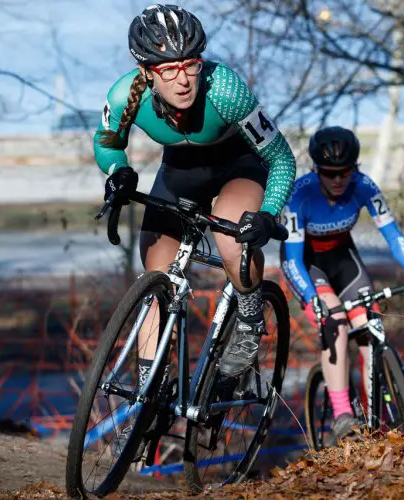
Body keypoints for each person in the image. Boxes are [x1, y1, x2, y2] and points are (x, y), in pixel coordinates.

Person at [94, 4, 296, 386]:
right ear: (146, 73)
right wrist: (117, 171)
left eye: (191, 64)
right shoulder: (127, 94)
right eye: (168, 70)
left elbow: (282, 159)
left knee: (231, 238)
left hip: (237, 167)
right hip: (181, 174)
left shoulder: (226, 90)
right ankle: (147, 395)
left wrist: (268, 212)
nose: (183, 80)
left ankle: (250, 319)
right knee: (157, 279)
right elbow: (107, 140)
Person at [279, 126, 404, 444]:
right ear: (317, 170)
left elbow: (392, 233)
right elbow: (292, 259)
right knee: (336, 324)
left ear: (355, 169)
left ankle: (376, 409)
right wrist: (310, 299)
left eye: (344, 172)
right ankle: (342, 414)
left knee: (370, 326)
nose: (337, 180)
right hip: (308, 265)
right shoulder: (300, 195)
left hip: (343, 259)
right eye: (329, 173)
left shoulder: (363, 186)